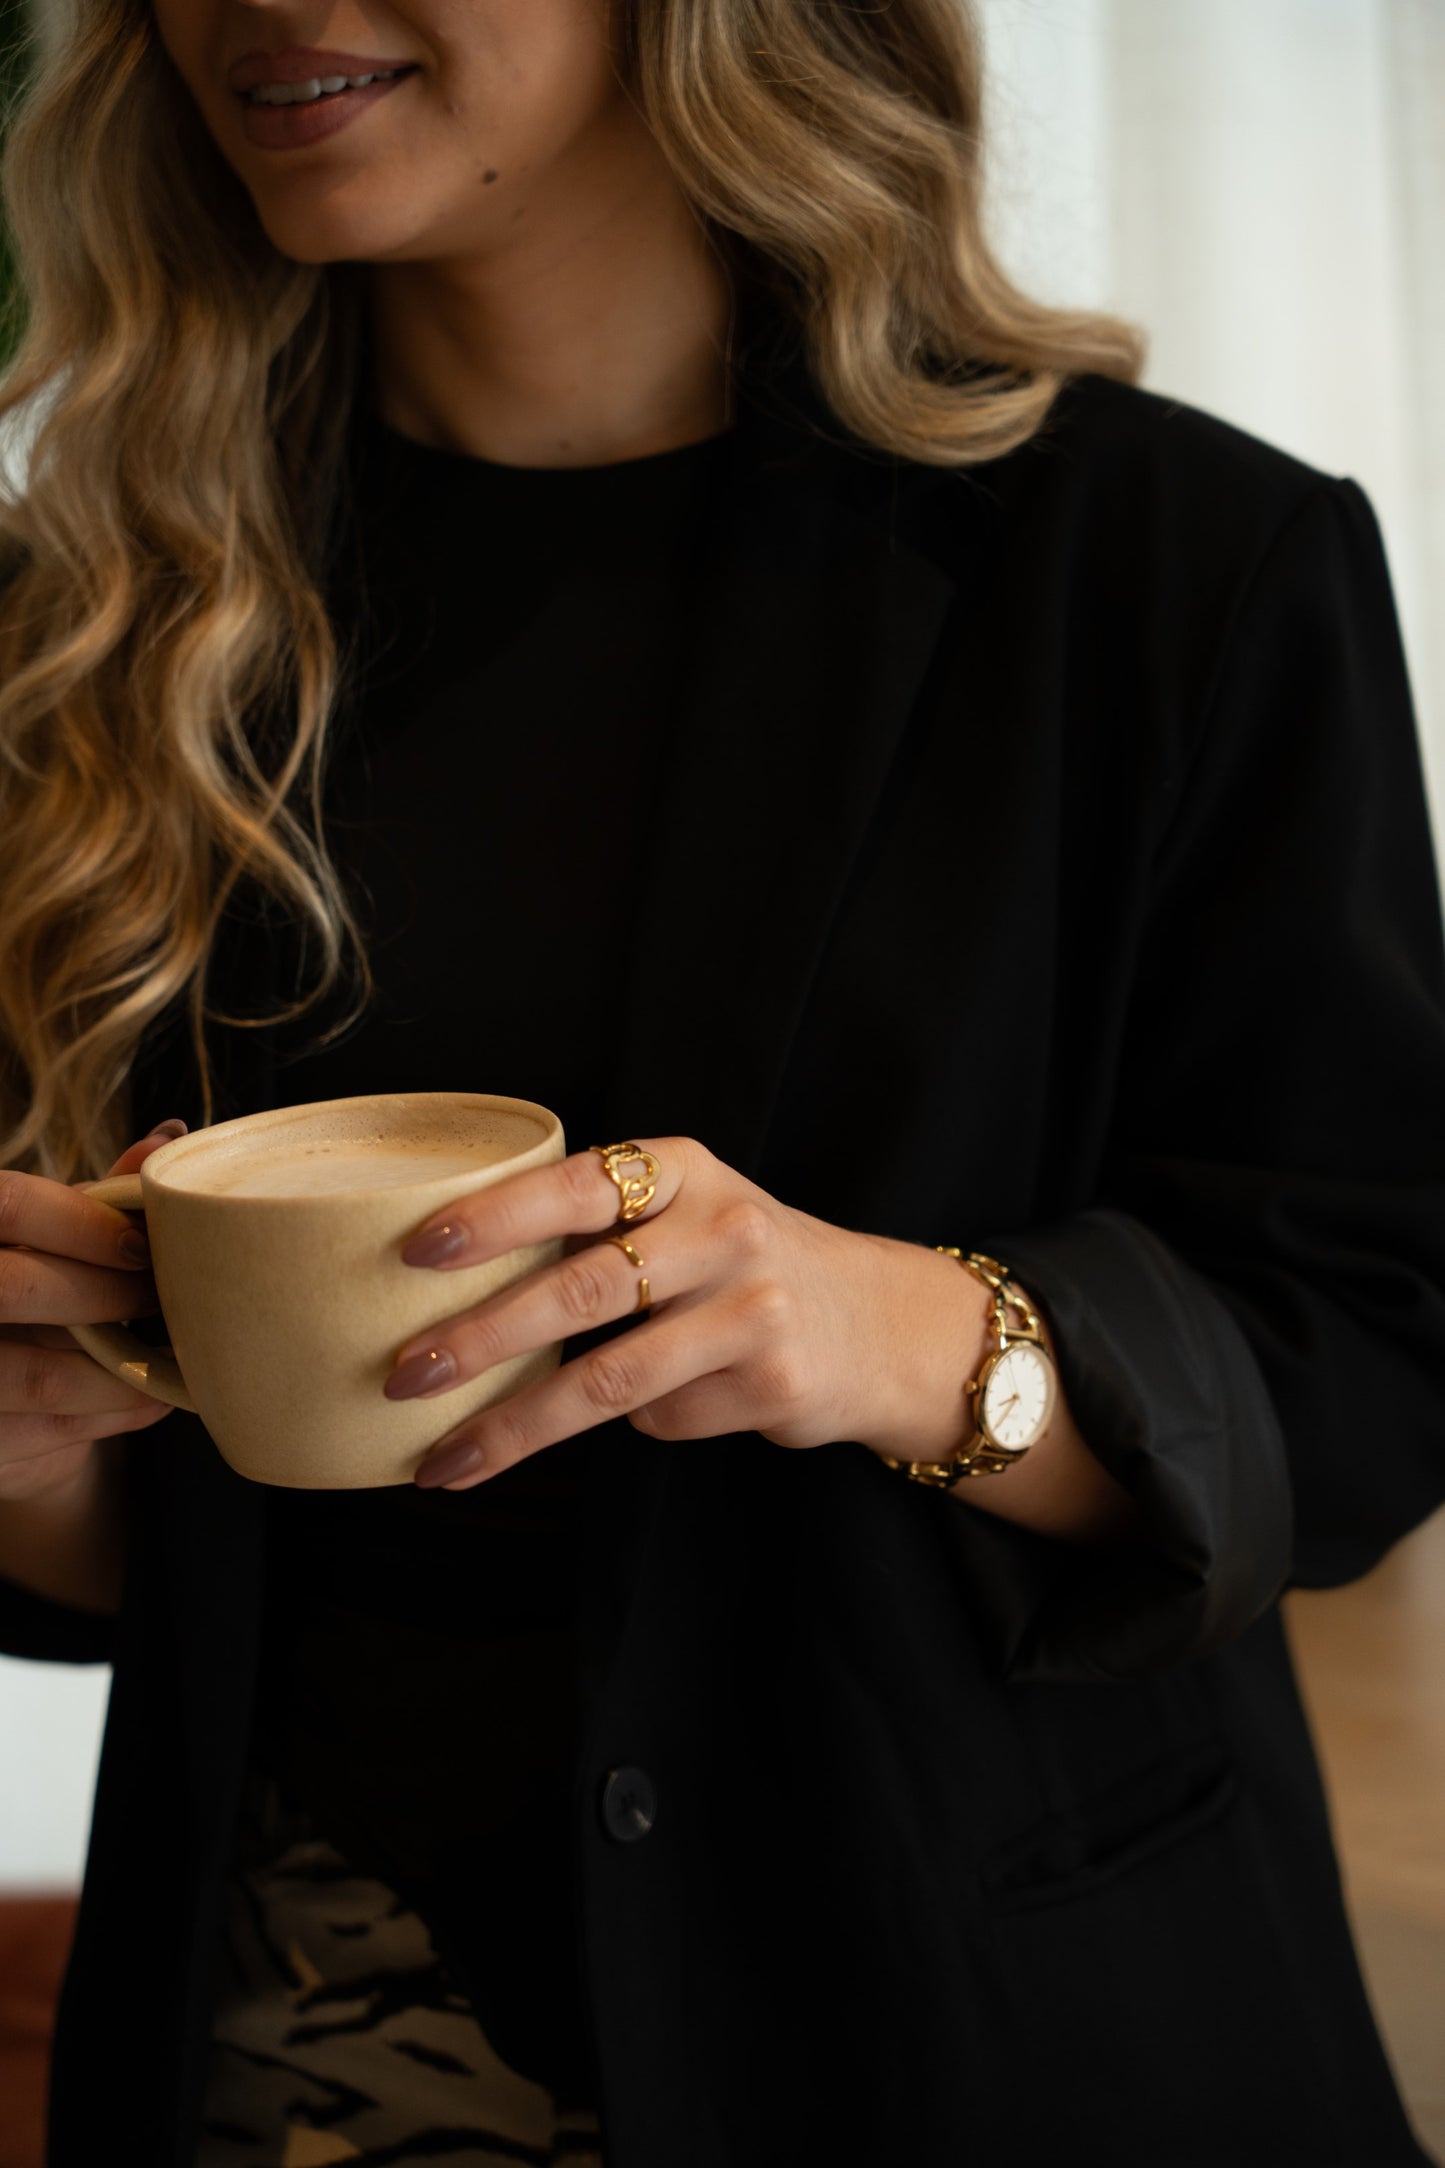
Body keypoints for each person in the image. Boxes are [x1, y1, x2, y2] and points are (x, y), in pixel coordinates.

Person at [0, 1, 1442, 2163]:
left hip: (982, 2042)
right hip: (287, 2072)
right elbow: (149, 1557)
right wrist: (27, 1451)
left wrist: (915, 1338)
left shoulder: (1174, 570)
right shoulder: (99, 624)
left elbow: (1369, 1367)